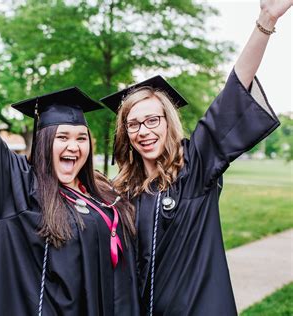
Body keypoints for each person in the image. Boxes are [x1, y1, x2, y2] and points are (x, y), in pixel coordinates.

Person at [0, 39, 141, 315]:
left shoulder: (100, 191)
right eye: (63, 137)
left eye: (81, 138)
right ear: (44, 143)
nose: (74, 146)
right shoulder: (20, 188)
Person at [99, 1, 291, 315]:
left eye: (152, 120)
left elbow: (234, 89)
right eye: (133, 124)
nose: (143, 131)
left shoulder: (195, 167)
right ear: (125, 133)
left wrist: (265, 21)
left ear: (167, 122)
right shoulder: (122, 194)